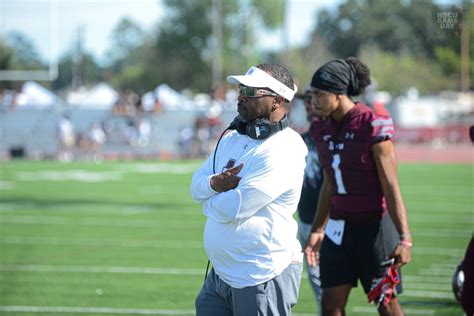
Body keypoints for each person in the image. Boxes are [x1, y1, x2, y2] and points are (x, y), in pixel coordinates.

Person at [190, 63, 307, 315]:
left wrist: (208, 199)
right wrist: (215, 183)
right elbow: (195, 186)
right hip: (219, 274)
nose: (241, 95)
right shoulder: (232, 137)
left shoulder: (286, 147)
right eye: (241, 89)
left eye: (252, 92)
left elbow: (236, 207)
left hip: (260, 274)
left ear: (277, 101)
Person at [304, 57, 412, 316]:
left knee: (385, 304)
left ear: (339, 94)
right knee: (330, 304)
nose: (313, 101)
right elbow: (329, 183)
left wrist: (405, 239)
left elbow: (390, 186)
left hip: (374, 228)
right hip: (339, 228)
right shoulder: (321, 128)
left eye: (319, 94)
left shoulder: (372, 125)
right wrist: (318, 229)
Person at [295, 87, 323, 313]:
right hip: (305, 220)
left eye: (311, 100)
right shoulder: (301, 140)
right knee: (318, 284)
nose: (307, 105)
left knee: (329, 287)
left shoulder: (333, 138)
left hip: (328, 223)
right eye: (305, 101)